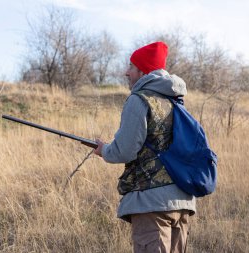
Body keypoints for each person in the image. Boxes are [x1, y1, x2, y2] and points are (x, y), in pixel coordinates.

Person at [94, 41, 196, 253]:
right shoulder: (175, 100)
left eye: (131, 66)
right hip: (183, 203)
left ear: (143, 71)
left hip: (152, 204)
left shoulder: (139, 100)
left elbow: (125, 150)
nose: (126, 72)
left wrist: (104, 150)